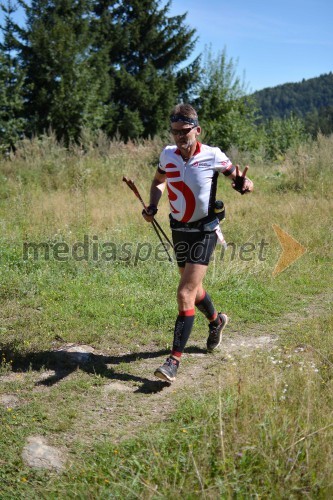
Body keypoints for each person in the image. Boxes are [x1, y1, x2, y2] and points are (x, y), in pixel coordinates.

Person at [142, 103, 254, 383]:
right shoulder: (167, 155)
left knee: (184, 293)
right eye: (175, 132)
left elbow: (241, 180)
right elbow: (158, 181)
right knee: (194, 289)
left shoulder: (213, 155)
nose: (180, 137)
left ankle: (173, 362)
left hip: (205, 230)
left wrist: (243, 184)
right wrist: (153, 206)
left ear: (197, 130)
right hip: (179, 229)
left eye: (185, 131)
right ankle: (217, 321)